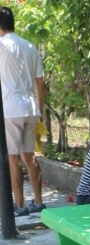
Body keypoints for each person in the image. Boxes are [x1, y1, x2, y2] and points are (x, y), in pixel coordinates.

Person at [0, 6, 45, 216]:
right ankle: (38, 202)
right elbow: (41, 83)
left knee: (13, 159)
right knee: (30, 156)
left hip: (11, 109)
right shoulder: (30, 46)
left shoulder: (1, 46)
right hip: (31, 107)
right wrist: (40, 111)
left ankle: (19, 206)